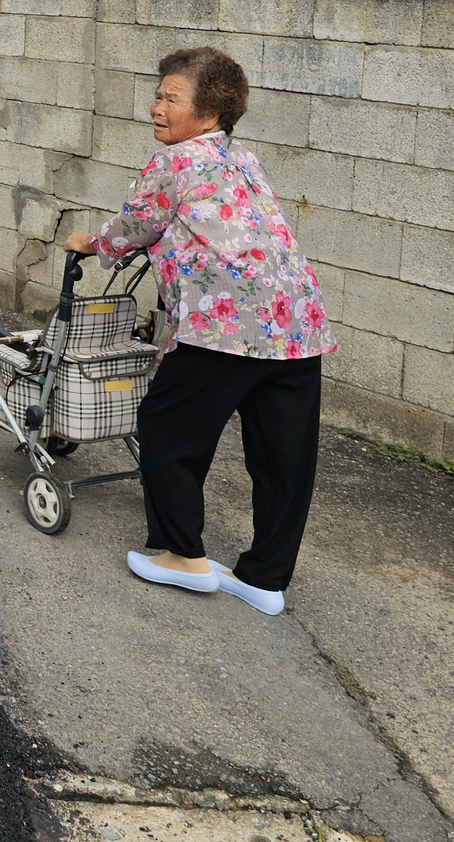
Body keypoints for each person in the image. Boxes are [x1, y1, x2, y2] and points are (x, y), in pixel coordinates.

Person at [63, 47, 333, 616]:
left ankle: (182, 555)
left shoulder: (177, 162)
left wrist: (92, 242)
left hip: (226, 324)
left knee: (168, 423)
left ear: (208, 113)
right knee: (282, 455)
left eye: (171, 98)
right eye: (158, 94)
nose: (157, 106)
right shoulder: (245, 157)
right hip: (295, 322)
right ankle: (265, 577)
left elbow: (138, 223)